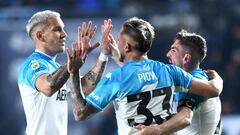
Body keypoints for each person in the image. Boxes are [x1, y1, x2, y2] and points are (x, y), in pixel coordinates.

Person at [66, 17, 223, 135]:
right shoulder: (169, 72)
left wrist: (74, 72)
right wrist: (218, 78)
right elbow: (137, 74)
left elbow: (80, 113)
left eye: (119, 40)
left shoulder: (114, 78)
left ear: (126, 46)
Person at [18, 10, 111, 135]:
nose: (64, 34)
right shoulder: (31, 64)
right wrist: (72, 62)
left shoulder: (56, 67)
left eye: (63, 29)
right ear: (40, 36)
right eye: (57, 29)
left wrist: (104, 54)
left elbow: (85, 87)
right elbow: (48, 87)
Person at [134, 30, 222, 135]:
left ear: (186, 58)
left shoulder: (196, 82)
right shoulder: (194, 81)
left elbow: (185, 117)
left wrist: (157, 130)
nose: (168, 54)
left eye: (173, 50)